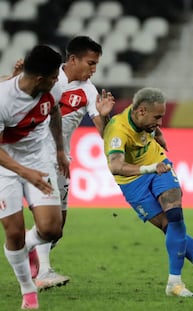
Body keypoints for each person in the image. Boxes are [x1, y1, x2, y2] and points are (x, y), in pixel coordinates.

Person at [103, 87, 193, 298]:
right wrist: (148, 168)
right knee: (169, 227)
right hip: (132, 181)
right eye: (157, 117)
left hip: (159, 166)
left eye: (162, 117)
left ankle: (179, 281)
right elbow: (115, 166)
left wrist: (159, 135)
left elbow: (153, 127)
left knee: (175, 216)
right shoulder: (118, 130)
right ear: (141, 111)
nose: (160, 122)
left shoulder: (143, 114)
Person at [32, 36, 115, 291]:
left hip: (62, 159)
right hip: (37, 156)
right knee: (47, 225)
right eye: (90, 63)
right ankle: (43, 271)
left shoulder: (89, 90)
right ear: (72, 59)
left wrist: (104, 116)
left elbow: (104, 132)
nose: (93, 69)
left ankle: (22, 248)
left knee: (57, 229)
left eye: (96, 64)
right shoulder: (47, 78)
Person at [0, 45, 69, 309]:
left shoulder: (50, 90)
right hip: (5, 166)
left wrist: (60, 150)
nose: (57, 80)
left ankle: (28, 246)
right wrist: (23, 171)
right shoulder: (3, 99)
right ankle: (28, 291)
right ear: (40, 78)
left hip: (39, 160)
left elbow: (53, 112)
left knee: (52, 229)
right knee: (14, 231)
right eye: (53, 76)